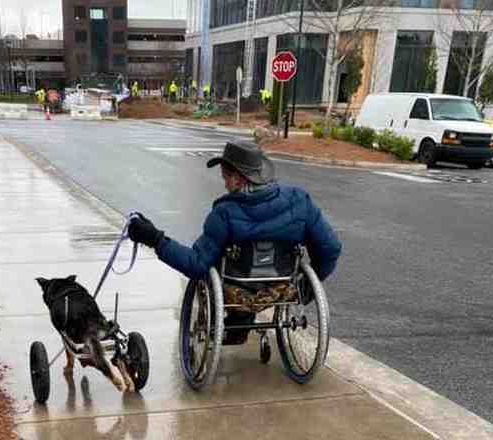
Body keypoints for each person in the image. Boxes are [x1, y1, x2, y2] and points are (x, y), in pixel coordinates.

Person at [128, 139, 342, 344]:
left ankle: (239, 323)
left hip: (237, 295)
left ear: (237, 179)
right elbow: (330, 248)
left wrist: (155, 239)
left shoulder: (224, 213)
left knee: (218, 267)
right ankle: (243, 323)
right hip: (284, 288)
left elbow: (197, 265)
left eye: (225, 177)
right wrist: (305, 289)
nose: (224, 183)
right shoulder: (299, 201)